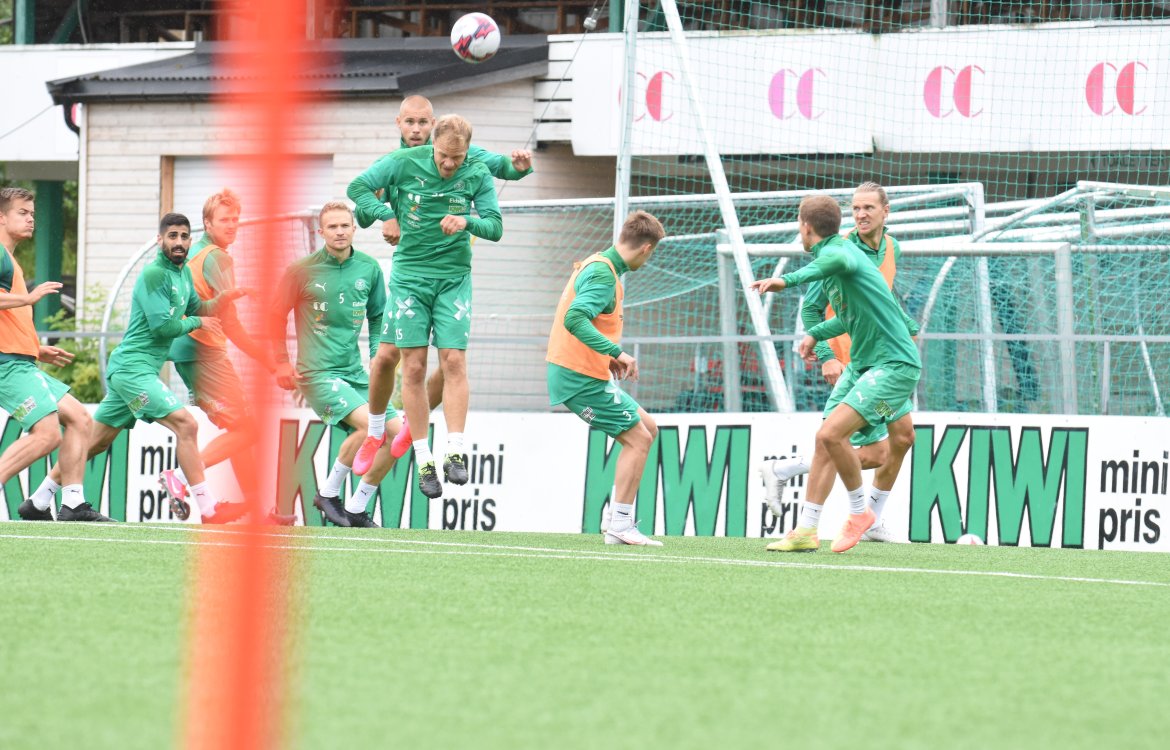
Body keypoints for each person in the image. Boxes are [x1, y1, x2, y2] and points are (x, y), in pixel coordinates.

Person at [346, 95, 534, 473]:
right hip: (409, 274)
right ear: (399, 124)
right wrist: (384, 214)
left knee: (448, 361)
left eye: (422, 122)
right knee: (387, 359)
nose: (416, 129)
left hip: (450, 272)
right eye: (410, 122)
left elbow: (499, 167)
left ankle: (427, 438)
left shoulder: (466, 156)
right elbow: (361, 206)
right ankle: (376, 429)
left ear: (433, 125)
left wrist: (517, 170)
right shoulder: (398, 162)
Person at [31, 214, 248, 523]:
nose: (179, 242)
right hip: (134, 370)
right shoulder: (154, 275)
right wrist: (198, 322)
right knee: (186, 425)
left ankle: (39, 500)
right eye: (172, 236)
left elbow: (199, 308)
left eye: (184, 236)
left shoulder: (183, 273)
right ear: (160, 240)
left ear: (190, 240)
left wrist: (225, 298)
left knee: (96, 442)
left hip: (133, 371)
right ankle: (209, 509)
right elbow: (163, 327)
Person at [749, 194, 921, 554]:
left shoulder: (847, 251)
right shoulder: (842, 249)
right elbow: (842, 313)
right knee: (850, 440)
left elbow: (875, 297)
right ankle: (807, 527)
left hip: (888, 368)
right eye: (855, 208)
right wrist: (818, 339)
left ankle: (862, 514)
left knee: (865, 441)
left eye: (868, 207)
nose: (861, 214)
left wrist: (784, 281)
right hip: (863, 367)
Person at [271, 201, 403, 527]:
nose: (340, 232)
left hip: (355, 372)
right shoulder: (300, 271)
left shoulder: (369, 269)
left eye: (345, 225)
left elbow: (378, 316)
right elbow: (274, 317)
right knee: (369, 428)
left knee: (398, 436)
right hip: (316, 374)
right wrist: (281, 363)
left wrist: (378, 355)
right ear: (321, 232)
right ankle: (328, 493)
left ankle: (357, 507)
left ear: (354, 229)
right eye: (332, 227)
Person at [548, 210, 665, 546]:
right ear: (646, 248)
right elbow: (575, 319)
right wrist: (616, 352)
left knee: (648, 429)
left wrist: (606, 356)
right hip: (577, 378)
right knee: (639, 439)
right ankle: (621, 525)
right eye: (651, 254)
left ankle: (615, 517)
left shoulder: (599, 264)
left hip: (586, 373)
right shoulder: (603, 275)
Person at [160, 189, 274, 513]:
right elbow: (231, 323)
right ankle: (180, 476)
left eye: (236, 219)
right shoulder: (218, 257)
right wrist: (269, 361)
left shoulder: (193, 253)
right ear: (207, 223)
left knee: (240, 429)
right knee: (248, 430)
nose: (232, 225)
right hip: (204, 350)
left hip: (186, 350)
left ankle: (256, 509)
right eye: (224, 219)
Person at [0, 187, 101, 521]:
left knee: (80, 419)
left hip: (21, 360)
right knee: (47, 434)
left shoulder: (9, 257)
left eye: (32, 213)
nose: (31, 219)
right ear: (1, 217)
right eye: (22, 213)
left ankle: (63, 503)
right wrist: (28, 298)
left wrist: (35, 348)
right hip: (7, 366)